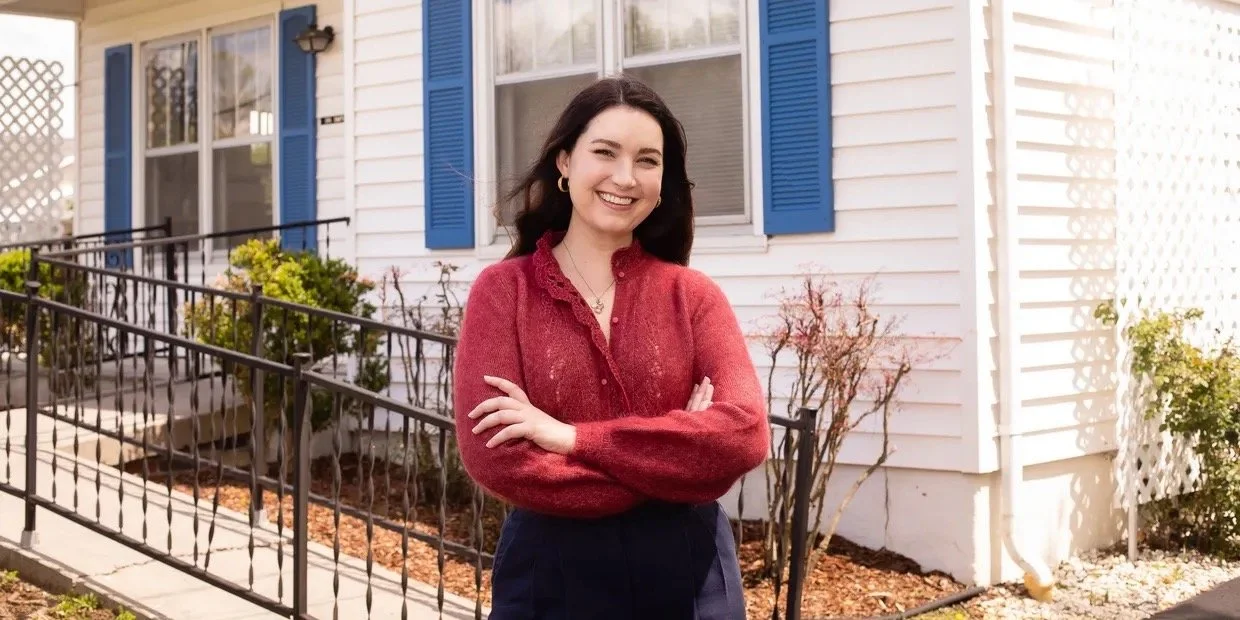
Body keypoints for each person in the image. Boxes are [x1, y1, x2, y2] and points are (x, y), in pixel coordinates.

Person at [451, 74, 770, 620]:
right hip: (552, 571)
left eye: (648, 160)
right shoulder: (504, 293)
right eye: (605, 152)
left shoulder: (693, 297)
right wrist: (675, 459)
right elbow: (497, 459)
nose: (626, 177)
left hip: (690, 576)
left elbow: (742, 436)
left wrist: (568, 437)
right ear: (565, 161)